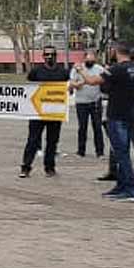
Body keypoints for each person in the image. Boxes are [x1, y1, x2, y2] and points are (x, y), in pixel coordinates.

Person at [77, 42, 134, 201]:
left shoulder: (116, 69)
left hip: (118, 115)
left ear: (116, 52)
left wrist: (80, 70)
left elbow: (92, 81)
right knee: (121, 152)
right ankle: (121, 185)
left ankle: (129, 188)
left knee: (121, 153)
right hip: (131, 114)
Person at [19, 45, 68, 178]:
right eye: (46, 54)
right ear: (43, 56)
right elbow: (28, 87)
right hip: (37, 112)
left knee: (52, 141)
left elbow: (68, 88)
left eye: (52, 54)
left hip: (55, 113)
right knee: (33, 140)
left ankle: (50, 167)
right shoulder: (36, 71)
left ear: (56, 56)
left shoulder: (63, 72)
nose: (49, 57)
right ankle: (26, 167)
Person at [70, 49, 106, 160]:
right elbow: (71, 83)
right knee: (82, 127)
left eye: (92, 59)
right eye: (88, 59)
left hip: (95, 101)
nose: (90, 61)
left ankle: (100, 152)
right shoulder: (77, 68)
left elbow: (104, 81)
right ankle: (81, 151)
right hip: (81, 102)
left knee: (97, 127)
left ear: (95, 59)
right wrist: (77, 84)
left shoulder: (100, 69)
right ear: (84, 58)